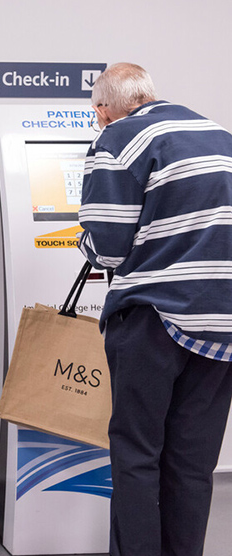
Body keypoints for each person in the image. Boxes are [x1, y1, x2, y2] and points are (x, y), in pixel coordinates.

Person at [79, 63, 232, 556]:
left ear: (104, 109)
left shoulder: (119, 137)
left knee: (137, 454)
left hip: (155, 318)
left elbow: (107, 245)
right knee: (192, 462)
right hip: (223, 320)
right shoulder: (219, 134)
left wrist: (87, 242)